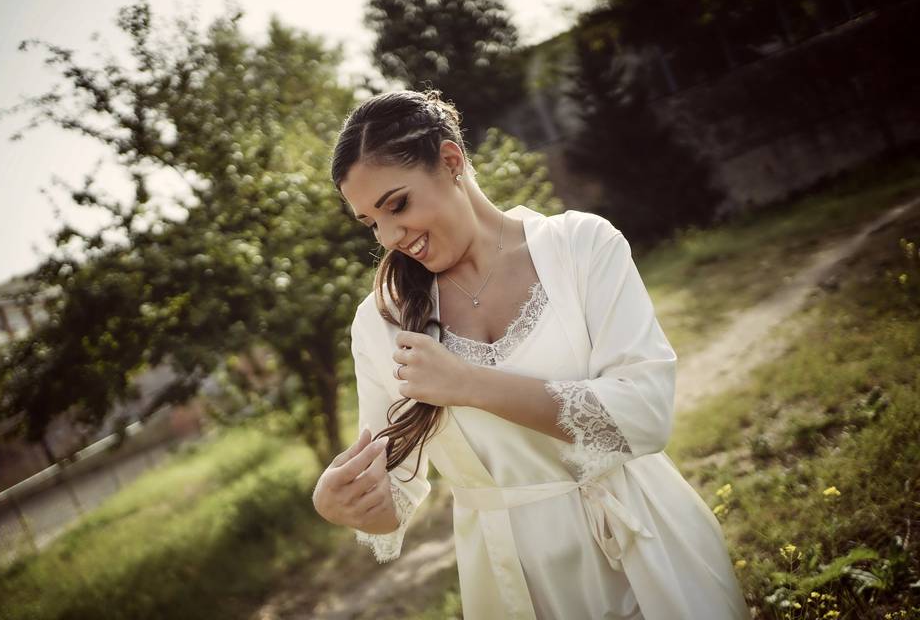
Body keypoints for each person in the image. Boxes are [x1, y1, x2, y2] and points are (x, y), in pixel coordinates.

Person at [312, 88, 752, 620]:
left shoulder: (582, 247)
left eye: (397, 204)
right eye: (371, 223)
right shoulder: (380, 323)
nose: (390, 236)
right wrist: (351, 506)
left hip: (651, 550)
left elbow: (647, 414)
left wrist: (469, 384)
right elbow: (395, 493)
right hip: (520, 584)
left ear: (451, 161)